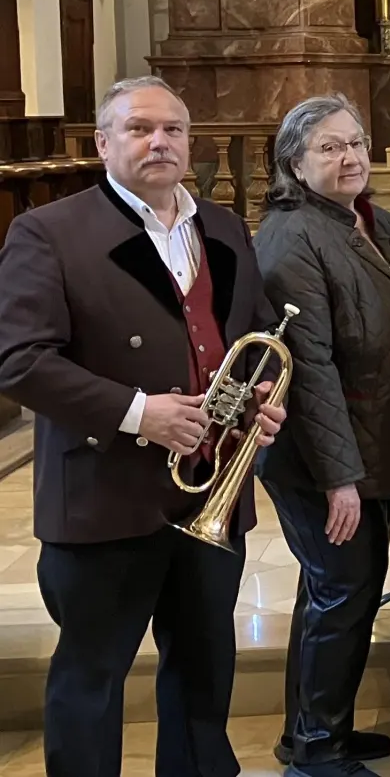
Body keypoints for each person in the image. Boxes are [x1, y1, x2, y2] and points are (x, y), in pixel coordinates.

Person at [0, 76, 287, 776]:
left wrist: (259, 399)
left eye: (173, 130)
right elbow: (18, 361)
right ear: (102, 143)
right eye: (137, 129)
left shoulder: (220, 226)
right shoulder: (51, 230)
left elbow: (247, 334)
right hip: (106, 497)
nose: (158, 142)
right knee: (92, 682)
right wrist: (139, 414)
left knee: (202, 675)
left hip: (209, 493)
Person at [254, 94, 390, 777]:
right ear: (294, 162)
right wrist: (340, 479)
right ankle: (317, 750)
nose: (351, 156)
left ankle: (310, 728)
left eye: (357, 142)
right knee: (341, 593)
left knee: (337, 592)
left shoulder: (375, 222)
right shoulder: (290, 237)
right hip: (322, 459)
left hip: (372, 445)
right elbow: (308, 370)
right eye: (330, 147)